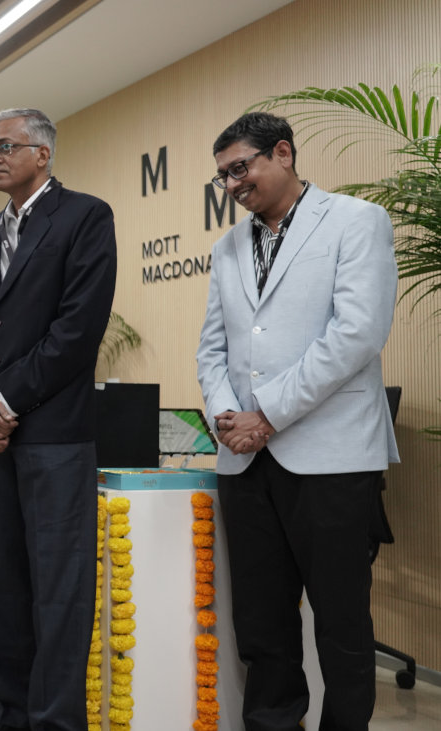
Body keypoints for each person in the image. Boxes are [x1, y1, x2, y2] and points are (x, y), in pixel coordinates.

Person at [196, 111, 398, 731]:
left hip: (331, 458)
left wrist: (267, 414)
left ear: (282, 153)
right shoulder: (227, 247)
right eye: (224, 175)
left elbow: (356, 334)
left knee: (340, 622)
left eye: (241, 167)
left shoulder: (355, 220)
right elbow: (212, 349)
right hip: (245, 462)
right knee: (261, 624)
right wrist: (227, 416)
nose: (232, 184)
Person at [0, 108, 117, 731]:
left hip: (55, 434)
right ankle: (12, 713)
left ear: (42, 154)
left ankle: (56, 722)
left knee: (60, 589)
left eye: (6, 146)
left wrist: (6, 401)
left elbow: (77, 329)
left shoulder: (85, 216)